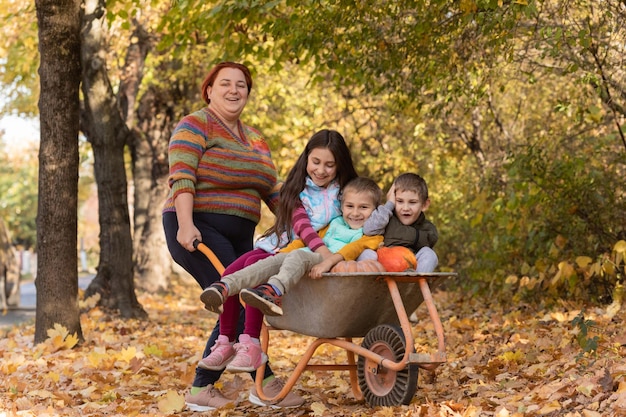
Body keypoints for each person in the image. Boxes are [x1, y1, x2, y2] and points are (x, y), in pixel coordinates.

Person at [162, 61, 299, 412]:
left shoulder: (255, 139)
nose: (234, 90)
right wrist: (186, 223)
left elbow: (272, 189)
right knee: (238, 297)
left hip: (241, 234)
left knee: (243, 298)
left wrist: (307, 224)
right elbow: (182, 176)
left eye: (241, 85)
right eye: (225, 83)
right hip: (198, 225)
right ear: (209, 90)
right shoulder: (195, 124)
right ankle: (217, 387)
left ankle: (260, 384)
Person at [196, 129, 358, 373]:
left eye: (329, 165)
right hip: (285, 244)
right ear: (306, 160)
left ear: (340, 165)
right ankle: (225, 341)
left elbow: (365, 214)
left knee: (256, 277)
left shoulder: (346, 193)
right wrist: (322, 249)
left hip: (299, 255)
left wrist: (327, 253)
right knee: (232, 271)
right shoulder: (295, 189)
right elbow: (302, 225)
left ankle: (250, 343)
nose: (321, 170)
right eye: (315, 162)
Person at [200, 177, 384, 371]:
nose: (355, 213)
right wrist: (282, 254)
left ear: (375, 210)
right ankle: (226, 286)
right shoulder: (334, 223)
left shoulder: (371, 235)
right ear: (342, 206)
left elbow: (352, 251)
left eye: (363, 208)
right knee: (270, 262)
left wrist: (327, 261)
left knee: (297, 257)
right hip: (305, 257)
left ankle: (274, 291)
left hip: (331, 264)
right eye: (350, 206)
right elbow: (304, 242)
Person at [360, 173, 438, 272]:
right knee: (367, 254)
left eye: (412, 202)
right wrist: (389, 205)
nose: (405, 208)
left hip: (408, 265)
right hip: (381, 266)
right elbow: (368, 230)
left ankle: (415, 284)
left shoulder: (427, 228)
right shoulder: (385, 217)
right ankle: (371, 285)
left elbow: (427, 240)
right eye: (399, 201)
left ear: (424, 205)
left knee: (429, 254)